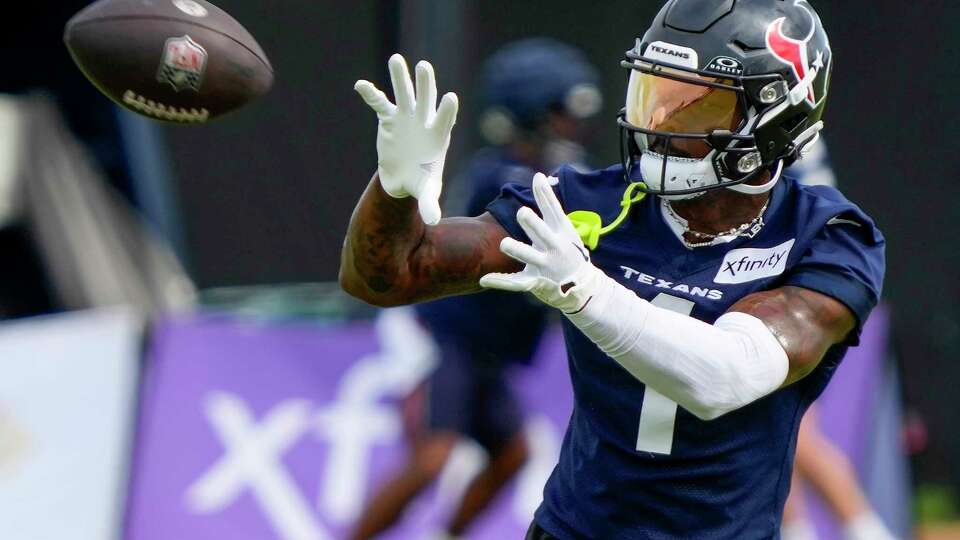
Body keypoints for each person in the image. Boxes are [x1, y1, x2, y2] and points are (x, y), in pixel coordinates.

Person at [342, 1, 885, 538]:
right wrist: (394, 189)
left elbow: (724, 375)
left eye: (695, 106)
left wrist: (585, 292)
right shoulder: (586, 201)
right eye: (656, 97)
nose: (662, 126)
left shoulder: (829, 236)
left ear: (776, 114)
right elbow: (390, 275)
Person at [349, 39, 602, 540]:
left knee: (512, 456)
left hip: (483, 349)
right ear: (530, 112)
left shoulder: (560, 173)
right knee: (432, 458)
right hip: (440, 335)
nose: (570, 125)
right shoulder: (501, 177)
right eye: (558, 112)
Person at [779, 145, 898, 540]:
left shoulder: (777, 119)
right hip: (799, 277)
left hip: (796, 282)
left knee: (792, 428)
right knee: (777, 427)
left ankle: (864, 529)